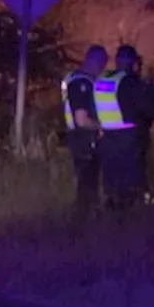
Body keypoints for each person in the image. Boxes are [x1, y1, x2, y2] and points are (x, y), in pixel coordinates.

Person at [93, 45, 154, 212]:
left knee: (111, 188)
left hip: (107, 140)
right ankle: (129, 227)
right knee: (130, 190)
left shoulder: (103, 80)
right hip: (129, 142)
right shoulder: (130, 82)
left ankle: (109, 225)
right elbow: (148, 109)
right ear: (133, 62)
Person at [63, 45, 108, 221]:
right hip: (84, 141)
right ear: (95, 62)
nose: (102, 70)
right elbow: (81, 120)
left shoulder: (78, 80)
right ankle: (80, 227)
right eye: (102, 64)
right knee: (87, 188)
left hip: (80, 140)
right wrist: (101, 126)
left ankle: (83, 226)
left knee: (87, 187)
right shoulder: (81, 83)